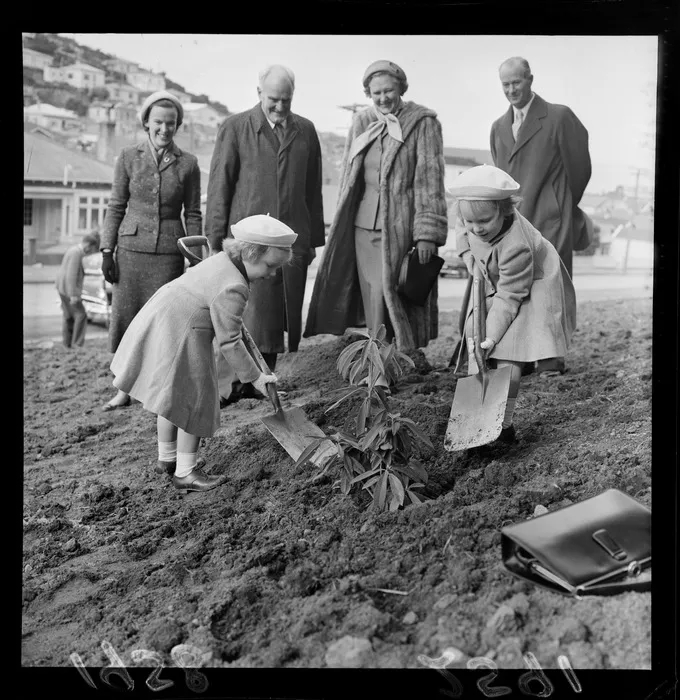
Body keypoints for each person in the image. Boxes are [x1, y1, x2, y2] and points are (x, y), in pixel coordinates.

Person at [109, 215, 294, 493]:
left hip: (165, 318)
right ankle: (185, 472)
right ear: (248, 253)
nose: (271, 274)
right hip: (184, 330)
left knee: (172, 394)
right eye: (269, 266)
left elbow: (224, 318)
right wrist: (255, 377)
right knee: (197, 400)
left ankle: (167, 459)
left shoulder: (222, 261)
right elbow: (229, 340)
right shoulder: (235, 286)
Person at [304, 60, 448, 352]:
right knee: (372, 295)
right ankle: (378, 360)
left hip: (402, 228)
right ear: (368, 94)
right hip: (362, 224)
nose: (383, 98)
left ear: (401, 89)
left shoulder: (423, 123)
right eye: (376, 93)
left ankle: (404, 354)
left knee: (397, 293)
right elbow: (348, 174)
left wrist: (427, 234)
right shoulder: (361, 122)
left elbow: (429, 181)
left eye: (388, 91)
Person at [205, 64, 325, 403]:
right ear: (259, 93)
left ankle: (260, 381)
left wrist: (313, 240)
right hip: (245, 240)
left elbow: (312, 189)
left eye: (286, 100)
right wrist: (215, 241)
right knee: (240, 310)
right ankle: (227, 386)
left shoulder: (306, 130)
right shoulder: (234, 127)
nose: (280, 107)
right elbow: (219, 187)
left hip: (289, 238)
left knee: (275, 314)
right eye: (274, 99)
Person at [449, 165, 576, 444]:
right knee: (477, 345)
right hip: (499, 277)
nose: (475, 228)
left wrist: (492, 338)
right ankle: (476, 421)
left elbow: (510, 296)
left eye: (483, 221)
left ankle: (503, 425)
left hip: (531, 282)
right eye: (470, 222)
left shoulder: (517, 245)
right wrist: (470, 259)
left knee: (509, 353)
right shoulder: (469, 217)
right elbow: (462, 231)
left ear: (505, 210)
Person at [480, 57, 590, 375]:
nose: (512, 89)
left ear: (530, 79)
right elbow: (501, 178)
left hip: (550, 216)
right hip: (514, 220)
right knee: (514, 285)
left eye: (517, 82)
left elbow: (580, 167)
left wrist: (561, 203)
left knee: (548, 283)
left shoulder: (558, 117)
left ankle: (551, 357)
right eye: (505, 84)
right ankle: (520, 355)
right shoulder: (498, 127)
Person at [100, 90, 202, 411]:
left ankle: (154, 390)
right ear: (146, 122)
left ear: (177, 126)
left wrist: (195, 258)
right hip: (130, 250)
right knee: (126, 319)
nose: (164, 129)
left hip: (170, 254)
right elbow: (116, 205)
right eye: (158, 122)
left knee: (161, 324)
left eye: (171, 123)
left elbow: (194, 213)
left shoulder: (189, 164)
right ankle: (123, 389)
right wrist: (107, 249)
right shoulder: (129, 157)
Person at [55, 231, 101, 348]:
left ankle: (67, 344)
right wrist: (73, 295)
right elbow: (72, 274)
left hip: (62, 288)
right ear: (89, 245)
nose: (91, 252)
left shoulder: (73, 250)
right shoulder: (76, 253)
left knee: (69, 316)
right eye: (92, 249)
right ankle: (77, 344)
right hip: (68, 290)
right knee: (81, 315)